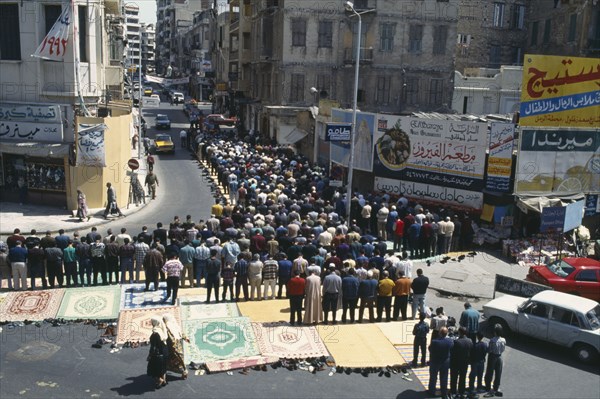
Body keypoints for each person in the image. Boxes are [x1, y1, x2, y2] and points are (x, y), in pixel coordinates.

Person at [428, 326, 454, 399]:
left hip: (435, 361)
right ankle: (444, 392)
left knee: (433, 377)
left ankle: (432, 391)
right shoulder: (450, 341)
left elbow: (430, 349)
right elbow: (452, 349)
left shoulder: (434, 342)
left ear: (439, 333)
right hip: (445, 361)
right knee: (444, 377)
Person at [163, 313, 188, 380]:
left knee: (171, 362)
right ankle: (184, 371)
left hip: (172, 348)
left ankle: (182, 372)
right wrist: (185, 338)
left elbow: (171, 340)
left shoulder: (168, 328)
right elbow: (180, 333)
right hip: (179, 346)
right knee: (179, 360)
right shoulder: (174, 325)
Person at [450, 327, 474, 399]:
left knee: (454, 377)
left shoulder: (457, 342)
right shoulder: (470, 341)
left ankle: (453, 391)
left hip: (456, 362)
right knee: (462, 377)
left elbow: (453, 352)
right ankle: (461, 391)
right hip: (465, 362)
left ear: (460, 332)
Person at [484, 323, 506, 397]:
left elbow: (490, 350)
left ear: (495, 332)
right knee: (498, 373)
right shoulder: (503, 340)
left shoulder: (492, 340)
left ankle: (488, 387)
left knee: (490, 371)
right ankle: (496, 387)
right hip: (499, 357)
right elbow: (503, 349)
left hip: (492, 356)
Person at [147, 317, 169, 389]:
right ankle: (164, 381)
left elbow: (153, 346)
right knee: (163, 368)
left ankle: (160, 380)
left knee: (154, 369)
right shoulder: (162, 330)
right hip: (165, 352)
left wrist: (150, 355)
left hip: (158, 354)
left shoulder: (155, 333)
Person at [469, 331, 488, 396]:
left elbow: (471, 354)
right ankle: (479, 387)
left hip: (474, 362)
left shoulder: (474, 345)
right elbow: (485, 353)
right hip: (481, 361)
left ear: (477, 337)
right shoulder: (485, 345)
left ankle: (471, 388)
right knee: (480, 375)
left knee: (473, 375)